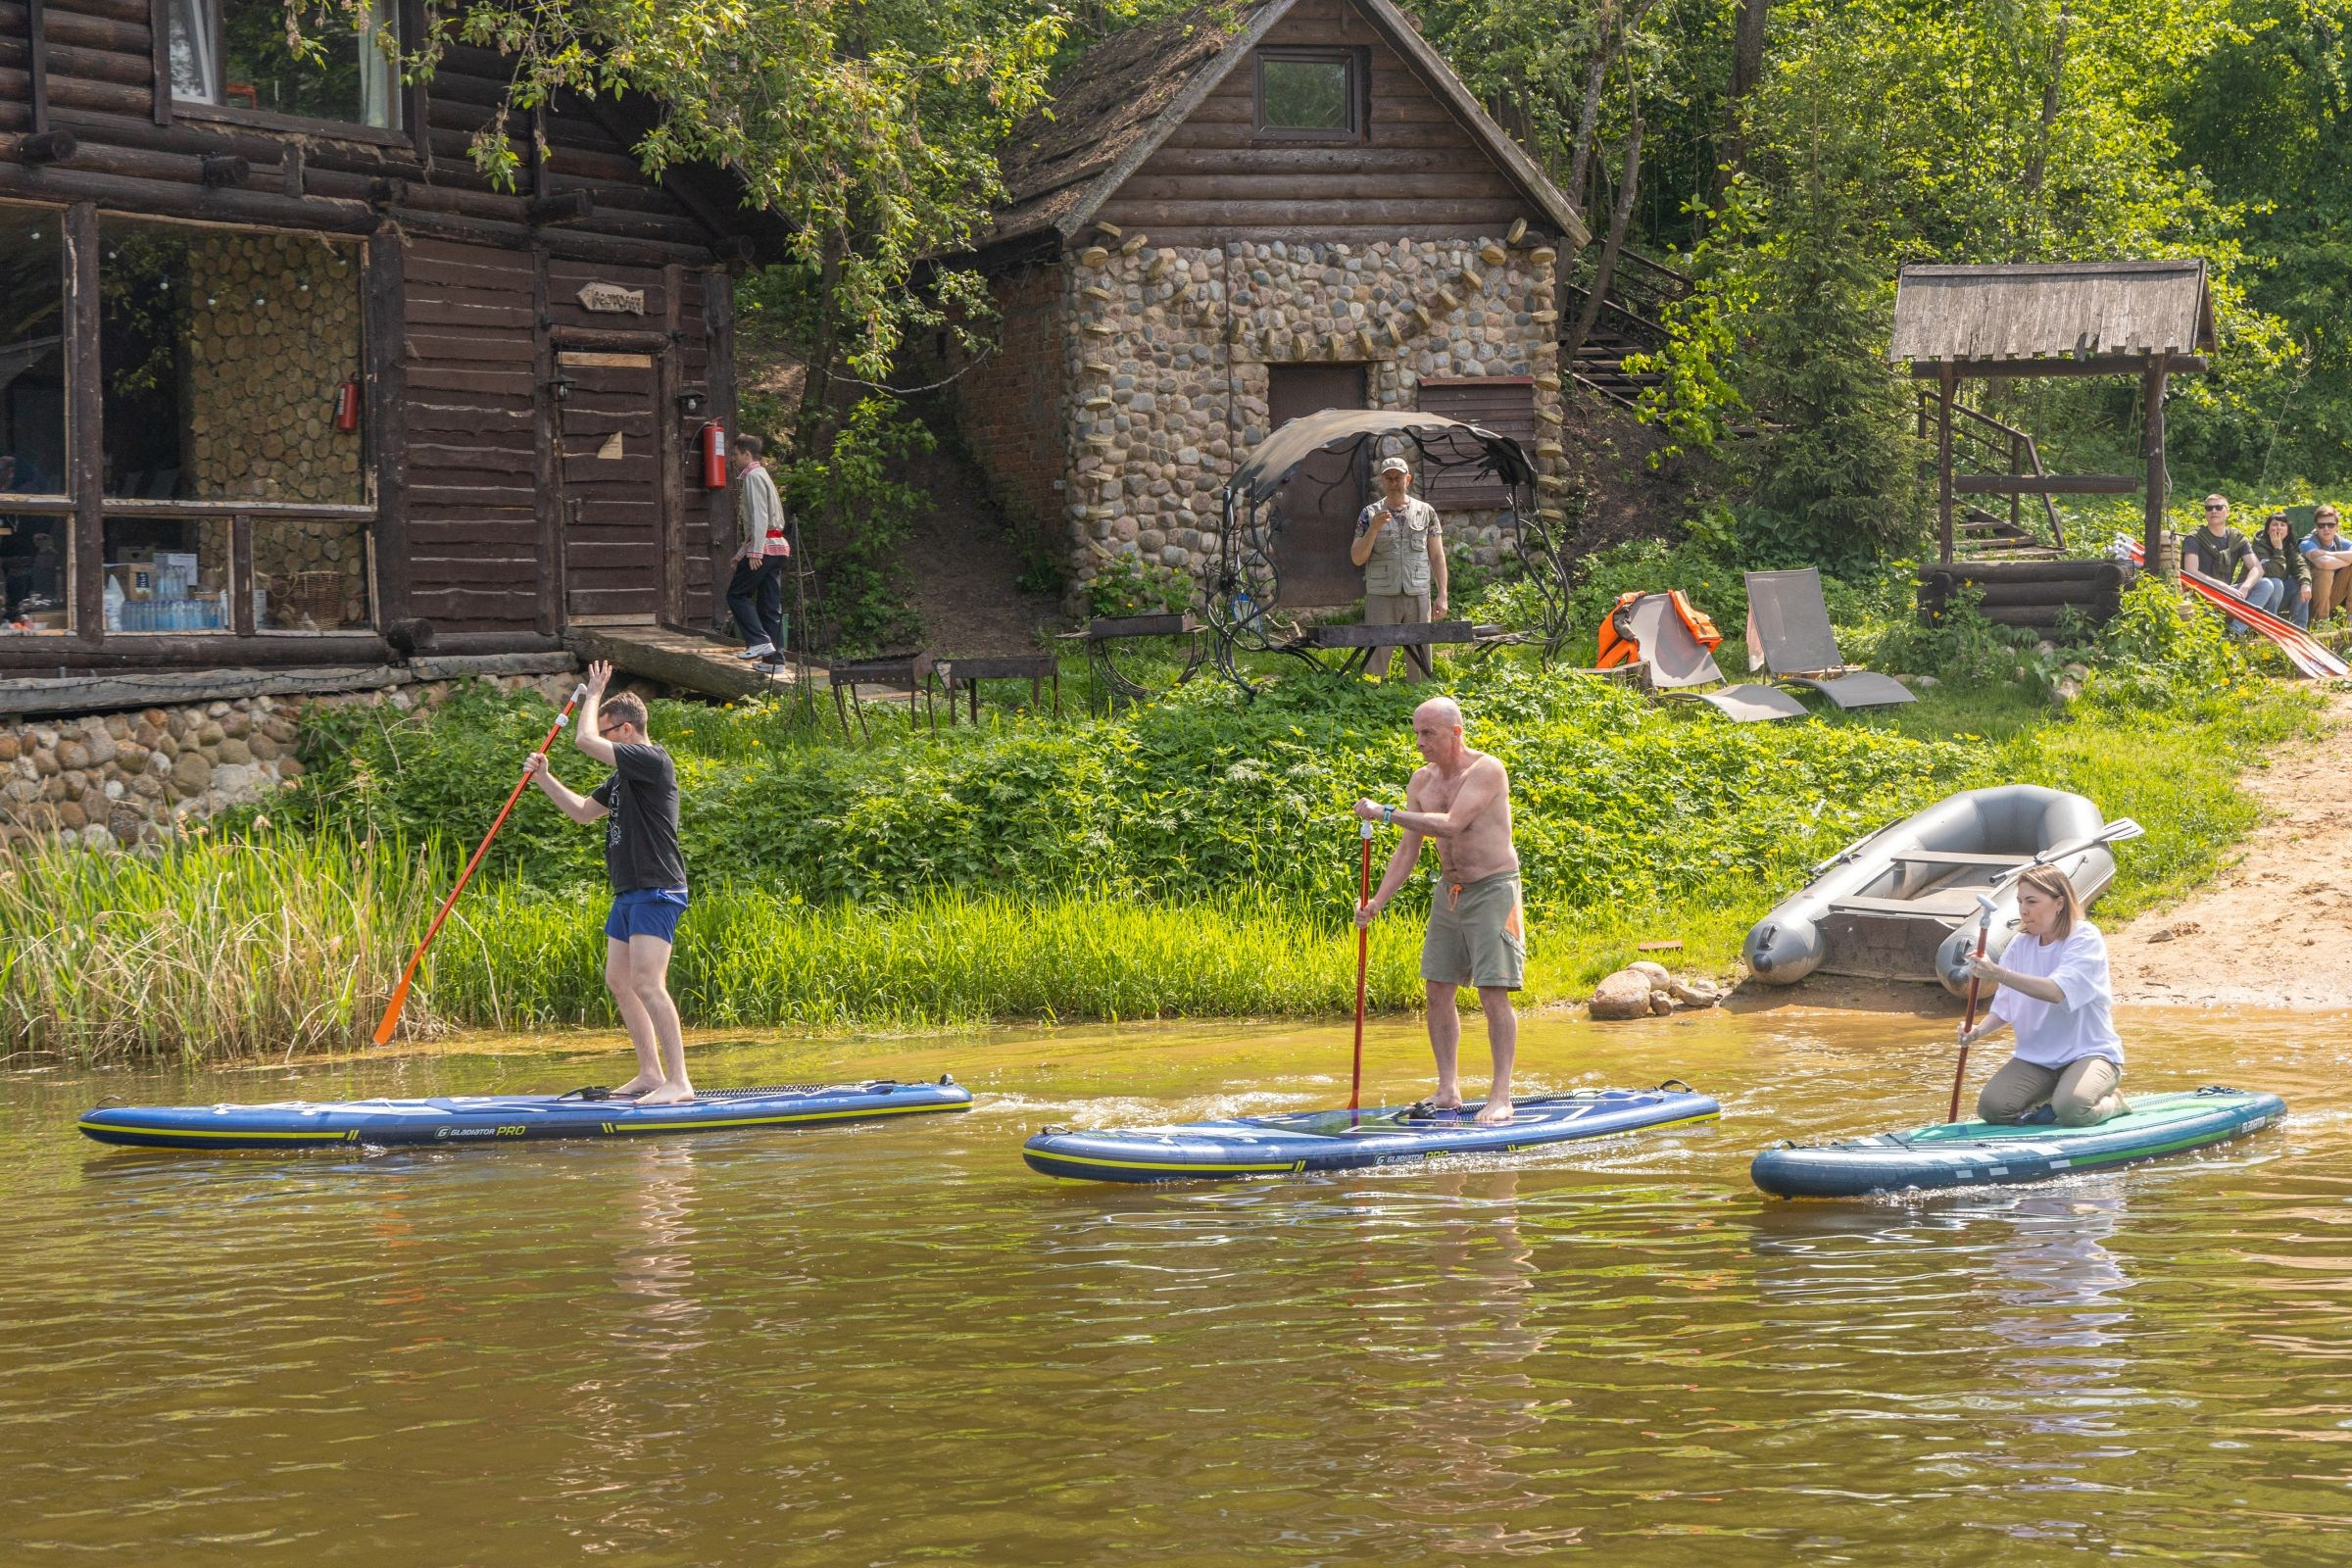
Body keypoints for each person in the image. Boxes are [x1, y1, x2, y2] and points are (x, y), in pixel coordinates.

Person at [523, 661, 696, 1104]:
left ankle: (679, 1081)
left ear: (625, 729)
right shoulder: (624, 777)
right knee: (619, 980)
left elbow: (583, 740)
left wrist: (593, 693)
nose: (602, 739)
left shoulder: (652, 762)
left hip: (658, 886)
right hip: (629, 890)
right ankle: (651, 1073)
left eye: (608, 731)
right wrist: (544, 778)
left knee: (648, 982)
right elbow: (583, 812)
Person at [1352, 697, 1523, 1125]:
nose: (1419, 742)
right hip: (1450, 892)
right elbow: (1408, 850)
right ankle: (1448, 1089)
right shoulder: (1421, 781)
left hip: (1494, 889)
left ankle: (1501, 1096)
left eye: (1428, 733)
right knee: (1437, 989)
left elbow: (1450, 824)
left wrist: (1387, 813)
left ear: (1455, 732)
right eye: (1416, 733)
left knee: (1492, 991)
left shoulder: (1487, 770)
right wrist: (1377, 902)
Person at [1957, 864, 2126, 1128]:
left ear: (2059, 903)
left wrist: (1997, 972)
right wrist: (1977, 1032)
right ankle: (2051, 1100)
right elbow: (2005, 1007)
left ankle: (2114, 1103)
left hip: (2090, 1053)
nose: (2023, 910)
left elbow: (2056, 991)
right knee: (1993, 1109)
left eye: (2032, 901)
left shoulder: (2084, 938)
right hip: (2037, 1060)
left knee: (2072, 1110)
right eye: (2020, 901)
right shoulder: (2019, 944)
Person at [1348, 455, 1447, 681]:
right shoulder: (1369, 514)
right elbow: (1357, 558)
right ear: (1381, 481)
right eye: (1389, 478)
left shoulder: (1426, 512)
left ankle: (1421, 696)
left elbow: (1437, 555)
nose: (1394, 483)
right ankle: (1373, 695)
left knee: (1420, 655)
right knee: (1376, 653)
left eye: (1398, 478)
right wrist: (1373, 529)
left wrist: (1442, 594)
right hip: (1381, 594)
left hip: (1417, 593)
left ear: (1407, 479)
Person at [724, 433, 791, 666]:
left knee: (736, 595)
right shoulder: (763, 475)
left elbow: (760, 517)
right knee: (769, 606)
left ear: (747, 454)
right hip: (778, 548)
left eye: (735, 454)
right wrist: (742, 553)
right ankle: (775, 661)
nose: (732, 459)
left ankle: (758, 641)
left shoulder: (753, 476)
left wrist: (755, 552)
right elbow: (766, 522)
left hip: (765, 549)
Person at [2179, 494, 2278, 630]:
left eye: (2218, 507)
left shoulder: (2236, 538)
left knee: (2266, 584)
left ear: (2227, 512)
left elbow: (2257, 568)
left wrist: (2245, 588)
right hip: (2201, 594)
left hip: (2227, 593)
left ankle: (2235, 631)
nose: (2213, 511)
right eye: (2209, 508)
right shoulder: (2195, 537)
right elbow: (2191, 572)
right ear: (2205, 513)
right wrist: (2225, 588)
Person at [2249, 510, 2312, 628]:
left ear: (2288, 531)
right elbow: (2274, 573)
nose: (2278, 528)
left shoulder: (2289, 547)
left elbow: (2301, 566)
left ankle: (2299, 629)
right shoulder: (2259, 546)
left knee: (2300, 583)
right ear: (2268, 529)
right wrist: (2278, 549)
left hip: (2278, 598)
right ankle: (2268, 627)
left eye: (2282, 525)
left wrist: (2306, 583)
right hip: (2257, 597)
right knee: (2276, 583)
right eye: (2274, 524)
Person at [2302, 505, 2352, 624]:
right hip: (2307, 599)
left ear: (2337, 527)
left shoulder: (2341, 542)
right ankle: (2322, 621)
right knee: (2325, 572)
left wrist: (2326, 553)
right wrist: (2347, 559)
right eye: (2321, 525)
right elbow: (2324, 564)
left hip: (2331, 596)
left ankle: (2350, 616)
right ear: (2316, 527)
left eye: (2331, 525)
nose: (2326, 528)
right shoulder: (2306, 543)